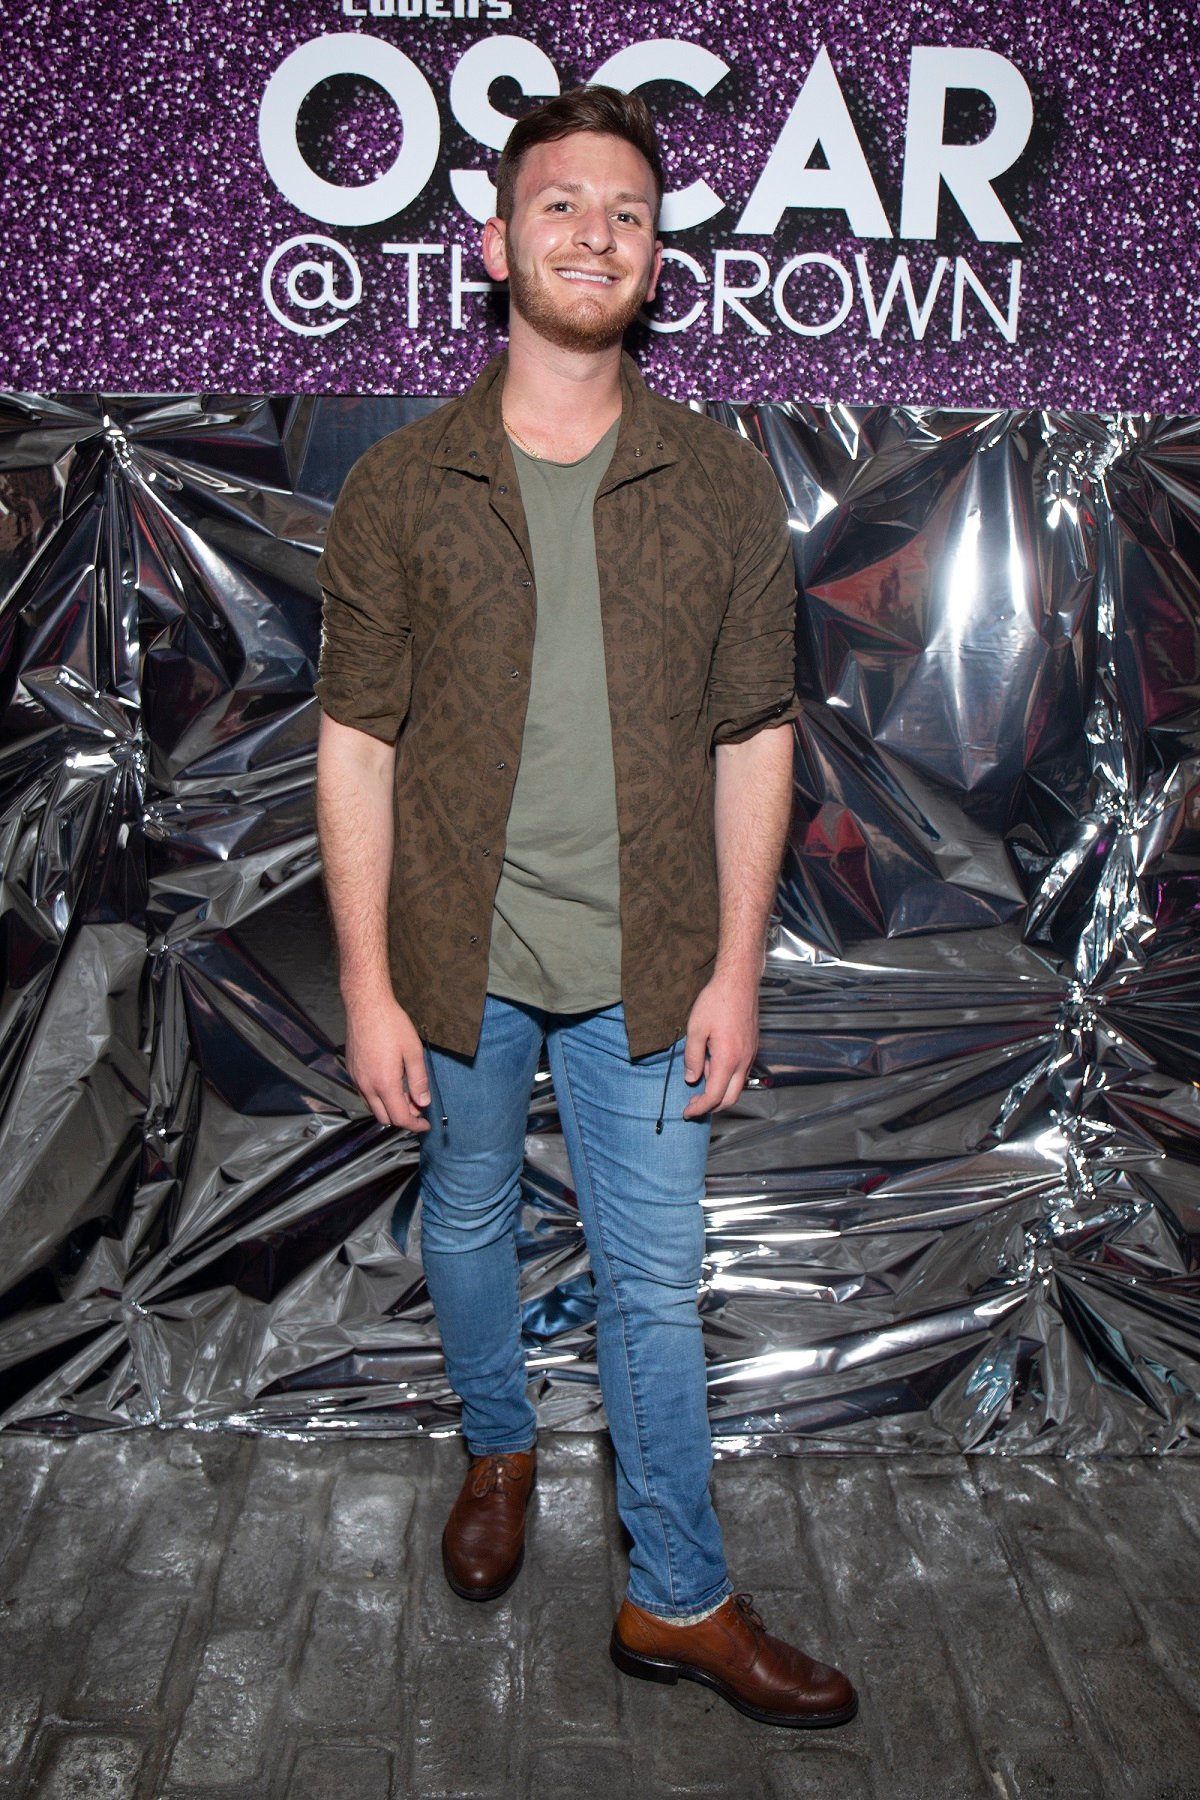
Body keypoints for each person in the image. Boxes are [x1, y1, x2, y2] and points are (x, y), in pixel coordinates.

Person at [314, 84, 857, 1731]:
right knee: (468, 1216)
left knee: (651, 1277)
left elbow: (755, 732)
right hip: (453, 950)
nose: (594, 234)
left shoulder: (721, 486)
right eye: (559, 203)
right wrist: (367, 986)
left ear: (657, 259)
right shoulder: (404, 486)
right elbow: (357, 742)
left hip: (652, 958)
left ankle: (673, 1595)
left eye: (627, 212)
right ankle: (498, 1445)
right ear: (496, 242)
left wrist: (738, 968)